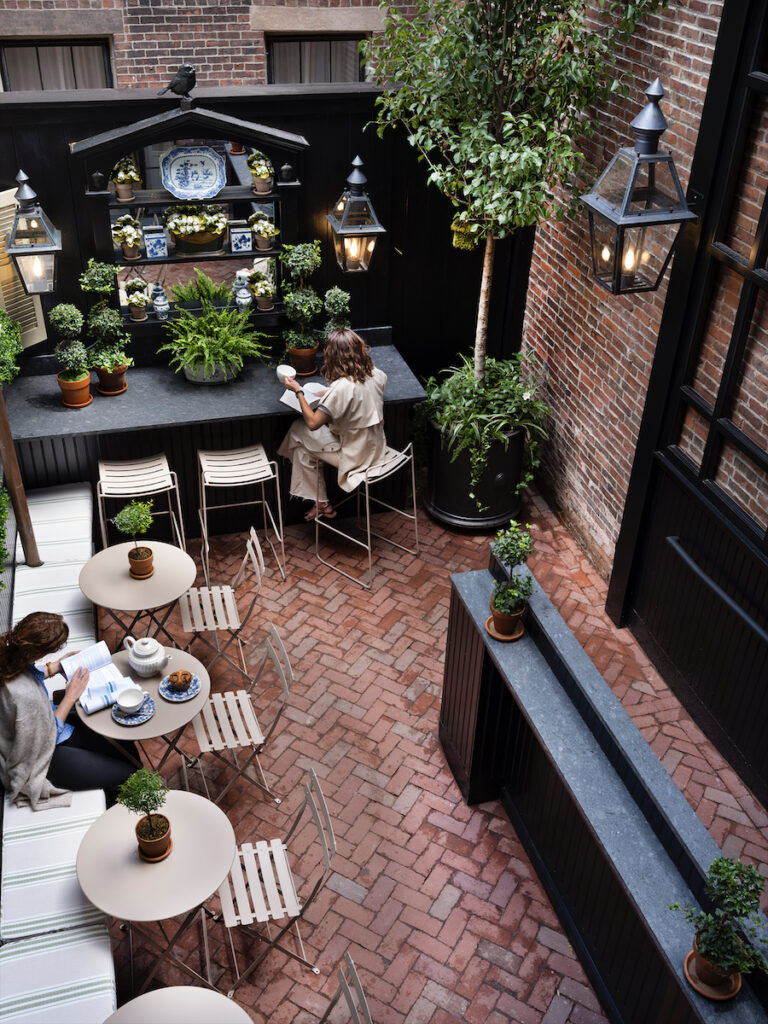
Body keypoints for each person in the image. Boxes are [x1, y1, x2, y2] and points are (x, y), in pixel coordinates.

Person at [0, 612, 135, 809]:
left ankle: (116, 796)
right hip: (45, 757)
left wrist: (54, 667)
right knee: (127, 774)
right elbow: (46, 738)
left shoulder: (7, 652)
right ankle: (117, 809)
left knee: (122, 744)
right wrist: (71, 695)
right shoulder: (26, 696)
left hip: (52, 728)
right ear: (39, 652)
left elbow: (23, 673)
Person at [277, 328, 387, 520]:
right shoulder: (377, 374)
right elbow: (357, 393)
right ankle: (322, 504)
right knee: (303, 451)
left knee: (298, 428)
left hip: (353, 456)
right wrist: (329, 393)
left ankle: (286, 461)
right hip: (375, 447)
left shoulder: (341, 389)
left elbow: (312, 423)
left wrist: (298, 391)